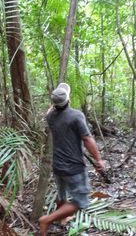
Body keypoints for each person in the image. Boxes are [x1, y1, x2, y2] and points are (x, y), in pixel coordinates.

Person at [39, 83, 105, 235]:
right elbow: (87, 139)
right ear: (68, 100)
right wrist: (98, 160)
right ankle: (47, 220)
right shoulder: (76, 115)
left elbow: (51, 110)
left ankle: (62, 219)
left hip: (57, 166)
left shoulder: (50, 116)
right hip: (73, 167)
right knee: (81, 202)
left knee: (62, 194)